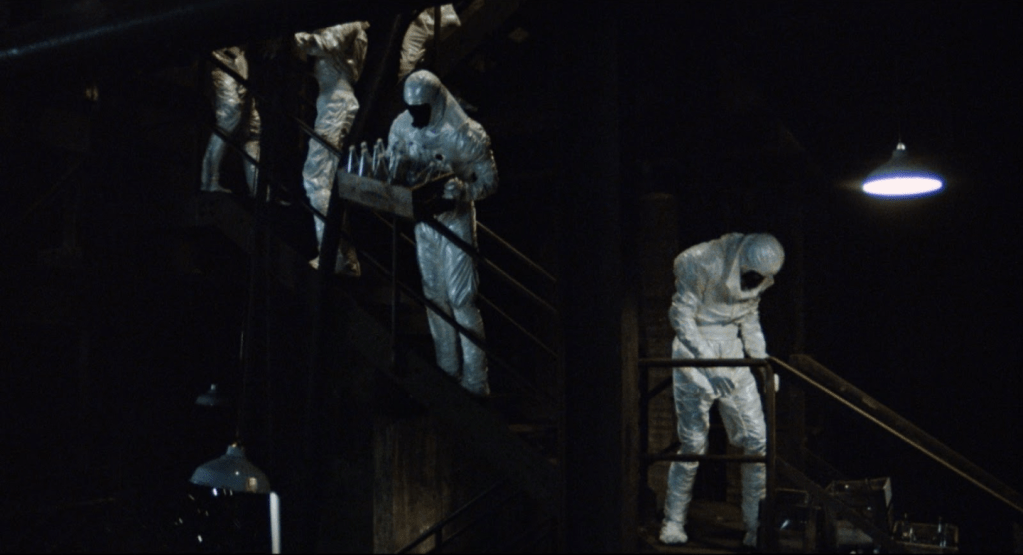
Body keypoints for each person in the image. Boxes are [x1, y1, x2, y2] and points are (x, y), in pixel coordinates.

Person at [659, 232, 784, 548]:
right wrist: (710, 367)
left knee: (757, 439)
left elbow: (749, 319)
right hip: (695, 350)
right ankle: (673, 520)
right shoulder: (700, 261)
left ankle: (756, 525)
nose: (753, 282)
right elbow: (681, 317)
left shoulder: (760, 276)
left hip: (732, 351)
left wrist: (762, 364)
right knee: (693, 443)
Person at [386, 69, 498, 396]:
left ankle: (476, 379)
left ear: (435, 103)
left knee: (461, 299)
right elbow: (394, 161)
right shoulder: (402, 126)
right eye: (411, 108)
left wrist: (464, 190)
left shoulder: (466, 134)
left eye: (420, 109)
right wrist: (395, 167)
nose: (415, 115)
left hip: (455, 219)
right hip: (424, 220)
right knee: (435, 297)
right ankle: (447, 369)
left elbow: (490, 180)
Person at [294, 21, 370, 276]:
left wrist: (293, 34)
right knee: (326, 182)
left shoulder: (348, 23)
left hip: (337, 103)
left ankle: (334, 255)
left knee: (316, 178)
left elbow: (328, 42)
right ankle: (344, 257)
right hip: (332, 101)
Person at [200, 45, 260, 195]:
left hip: (239, 58)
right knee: (229, 117)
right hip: (223, 58)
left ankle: (258, 189)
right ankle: (209, 182)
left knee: (253, 128)